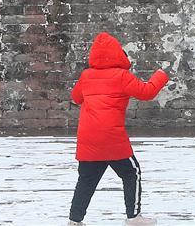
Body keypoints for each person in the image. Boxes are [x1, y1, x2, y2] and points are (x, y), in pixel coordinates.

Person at [68, 32, 169, 225]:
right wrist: (160, 76)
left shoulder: (86, 75)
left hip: (88, 137)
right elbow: (146, 92)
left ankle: (74, 221)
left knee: (86, 180)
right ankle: (134, 217)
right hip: (111, 136)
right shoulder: (122, 76)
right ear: (117, 54)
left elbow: (76, 98)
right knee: (132, 173)